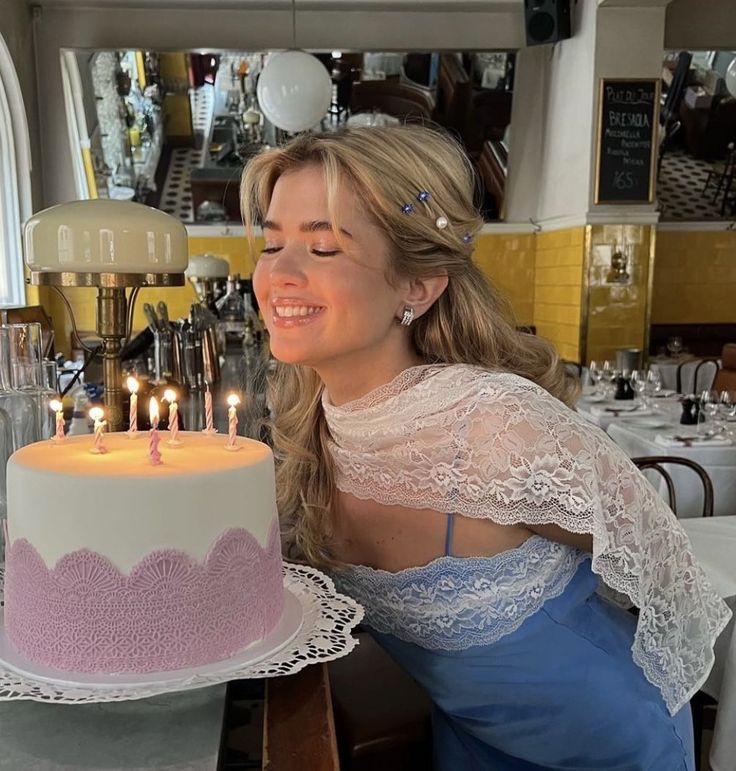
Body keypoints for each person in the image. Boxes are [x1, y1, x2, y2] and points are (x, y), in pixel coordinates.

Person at [241, 125, 730, 770]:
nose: (280, 273)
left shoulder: (495, 426)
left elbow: (662, 562)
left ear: (417, 286)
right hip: (470, 745)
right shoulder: (311, 418)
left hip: (606, 748)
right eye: (273, 243)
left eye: (323, 246)